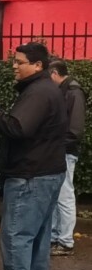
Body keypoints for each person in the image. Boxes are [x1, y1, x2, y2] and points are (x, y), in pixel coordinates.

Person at [0, 42, 67, 270]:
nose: (14, 66)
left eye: (19, 62)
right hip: (47, 171)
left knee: (16, 236)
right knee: (38, 235)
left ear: (38, 65)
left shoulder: (38, 92)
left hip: (29, 175)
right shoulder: (46, 89)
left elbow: (18, 127)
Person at [49, 60, 85, 257]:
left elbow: (75, 130)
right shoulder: (69, 91)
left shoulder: (72, 92)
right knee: (59, 195)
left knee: (63, 195)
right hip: (62, 149)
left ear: (55, 73)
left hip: (65, 150)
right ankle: (58, 238)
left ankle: (65, 240)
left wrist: (57, 144)